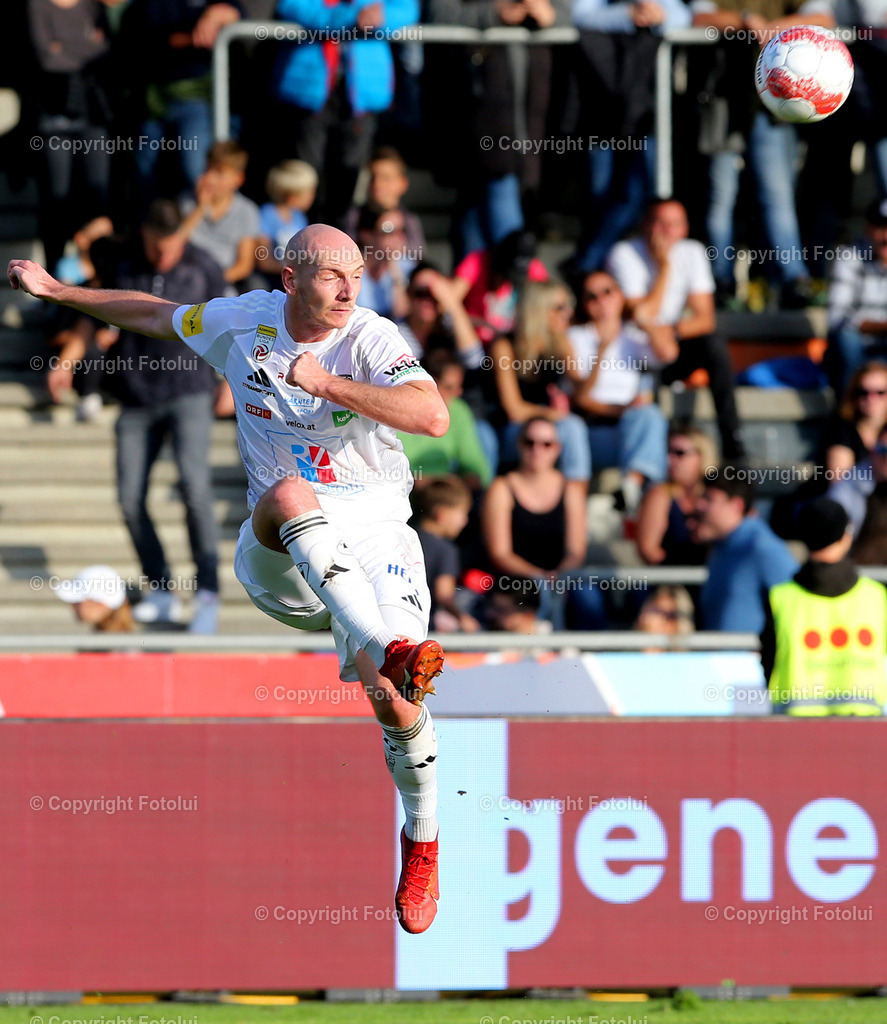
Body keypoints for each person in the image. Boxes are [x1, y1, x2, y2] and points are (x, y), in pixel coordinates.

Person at [8, 224, 449, 935]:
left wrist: (332, 383)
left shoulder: (371, 339)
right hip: (281, 553)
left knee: (398, 704)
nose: (346, 289)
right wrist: (61, 291)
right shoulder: (243, 322)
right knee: (288, 493)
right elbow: (152, 313)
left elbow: (432, 414)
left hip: (375, 537)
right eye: (331, 275)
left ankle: (422, 838)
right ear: (290, 281)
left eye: (355, 276)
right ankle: (385, 645)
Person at [42, 199, 226, 633]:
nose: (162, 253)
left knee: (195, 487)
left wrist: (230, 381)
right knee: (128, 497)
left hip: (191, 391)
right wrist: (67, 361)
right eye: (155, 243)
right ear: (143, 234)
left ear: (183, 235)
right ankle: (162, 588)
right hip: (135, 394)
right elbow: (93, 314)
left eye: (170, 244)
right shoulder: (123, 263)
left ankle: (208, 592)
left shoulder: (204, 267)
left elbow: (229, 325)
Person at [690, 0, 834, 309]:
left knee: (777, 198)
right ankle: (722, 283)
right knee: (721, 199)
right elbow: (698, 17)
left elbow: (824, 18)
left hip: (772, 107)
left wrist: (778, 28)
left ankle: (793, 279)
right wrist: (744, 21)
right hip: (723, 103)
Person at [606, 197, 744, 459]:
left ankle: (733, 439)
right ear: (645, 225)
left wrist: (668, 334)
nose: (667, 232)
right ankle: (653, 460)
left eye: (674, 225)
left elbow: (705, 320)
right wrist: (665, 267)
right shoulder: (624, 254)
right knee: (651, 366)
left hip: (670, 347)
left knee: (713, 344)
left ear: (685, 229)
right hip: (634, 355)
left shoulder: (692, 252)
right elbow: (642, 314)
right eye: (660, 224)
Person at [272, 0, 418, 226]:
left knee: (349, 176)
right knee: (306, 177)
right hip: (311, 90)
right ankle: (306, 242)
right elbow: (290, 5)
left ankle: (341, 245)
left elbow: (407, 9)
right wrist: (349, 18)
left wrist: (380, 17)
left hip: (362, 92)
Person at [761, 498, 886, 715]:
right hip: (864, 732)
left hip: (796, 733)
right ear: (845, 535)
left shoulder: (780, 597)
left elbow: (768, 663)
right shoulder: (876, 596)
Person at [567, 270, 677, 513]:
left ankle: (631, 486)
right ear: (584, 304)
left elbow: (668, 353)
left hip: (629, 426)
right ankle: (638, 497)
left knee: (649, 416)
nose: (601, 300)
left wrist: (643, 318)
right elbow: (582, 397)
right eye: (591, 296)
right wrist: (602, 350)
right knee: (647, 419)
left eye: (607, 292)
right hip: (590, 430)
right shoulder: (573, 337)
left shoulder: (633, 336)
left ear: (620, 296)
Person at [119, 0, 242, 204]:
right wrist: (196, 35)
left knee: (195, 170)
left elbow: (238, 13)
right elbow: (151, 37)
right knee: (145, 171)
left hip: (196, 100)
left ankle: (198, 230)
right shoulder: (146, 8)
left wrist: (216, 16)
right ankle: (150, 230)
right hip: (152, 100)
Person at [27, 0, 118, 272]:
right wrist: (87, 45)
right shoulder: (38, 5)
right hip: (53, 113)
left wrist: (64, 46)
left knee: (98, 195)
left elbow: (106, 51)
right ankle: (50, 277)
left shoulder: (92, 6)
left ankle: (101, 276)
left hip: (91, 112)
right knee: (57, 197)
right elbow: (46, 56)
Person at [488, 280, 592, 484]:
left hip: (547, 425)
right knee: (571, 427)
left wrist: (604, 351)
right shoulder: (505, 346)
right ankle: (574, 499)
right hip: (511, 430)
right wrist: (553, 414)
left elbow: (582, 392)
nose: (568, 312)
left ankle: (573, 498)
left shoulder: (560, 343)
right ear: (539, 310)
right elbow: (514, 410)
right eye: (560, 307)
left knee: (570, 427)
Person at [481, 416, 587, 588]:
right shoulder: (501, 489)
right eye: (529, 442)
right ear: (519, 444)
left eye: (546, 444)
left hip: (562, 581)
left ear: (557, 449)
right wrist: (539, 579)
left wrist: (556, 580)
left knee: (589, 602)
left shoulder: (571, 490)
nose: (537, 449)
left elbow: (575, 552)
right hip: (513, 583)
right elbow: (500, 554)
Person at [691, 467, 798, 632]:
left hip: (751, 657)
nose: (699, 505)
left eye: (709, 499)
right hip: (716, 656)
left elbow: (797, 609)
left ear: (736, 506)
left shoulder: (763, 548)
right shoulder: (721, 546)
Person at [398, 350, 492, 491]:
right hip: (402, 493)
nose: (457, 393)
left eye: (459, 386)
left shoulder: (458, 410)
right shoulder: (397, 408)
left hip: (446, 493)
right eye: (449, 387)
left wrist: (453, 484)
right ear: (428, 383)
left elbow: (476, 469)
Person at [178, 141, 262, 289]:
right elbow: (175, 242)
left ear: (238, 179)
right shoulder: (187, 203)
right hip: (186, 277)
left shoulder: (247, 211)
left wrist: (213, 281)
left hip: (220, 281)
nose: (209, 178)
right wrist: (201, 207)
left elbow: (244, 265)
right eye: (207, 169)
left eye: (219, 172)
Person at [827, 201, 887, 395]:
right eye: (881, 227)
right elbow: (837, 320)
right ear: (868, 229)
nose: (886, 236)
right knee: (847, 338)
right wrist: (880, 327)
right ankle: (849, 415)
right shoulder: (849, 257)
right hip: (856, 349)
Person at [636, 426, 717, 565]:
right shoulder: (660, 494)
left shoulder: (718, 494)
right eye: (668, 452)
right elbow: (648, 550)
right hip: (668, 578)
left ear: (702, 456)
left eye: (679, 453)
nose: (670, 459)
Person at [410, 476, 481, 633]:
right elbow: (444, 594)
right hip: (422, 630)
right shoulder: (445, 550)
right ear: (442, 514)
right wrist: (463, 618)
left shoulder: (405, 537)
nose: (465, 521)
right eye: (462, 514)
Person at [257, 160, 319, 278]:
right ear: (292, 198)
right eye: (309, 192)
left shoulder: (299, 217)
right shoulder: (266, 215)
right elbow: (264, 261)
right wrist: (296, 269)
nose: (313, 196)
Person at [54, 564, 136, 632]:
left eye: (78, 602)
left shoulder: (120, 647)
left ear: (101, 604)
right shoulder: (115, 643)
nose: (72, 607)